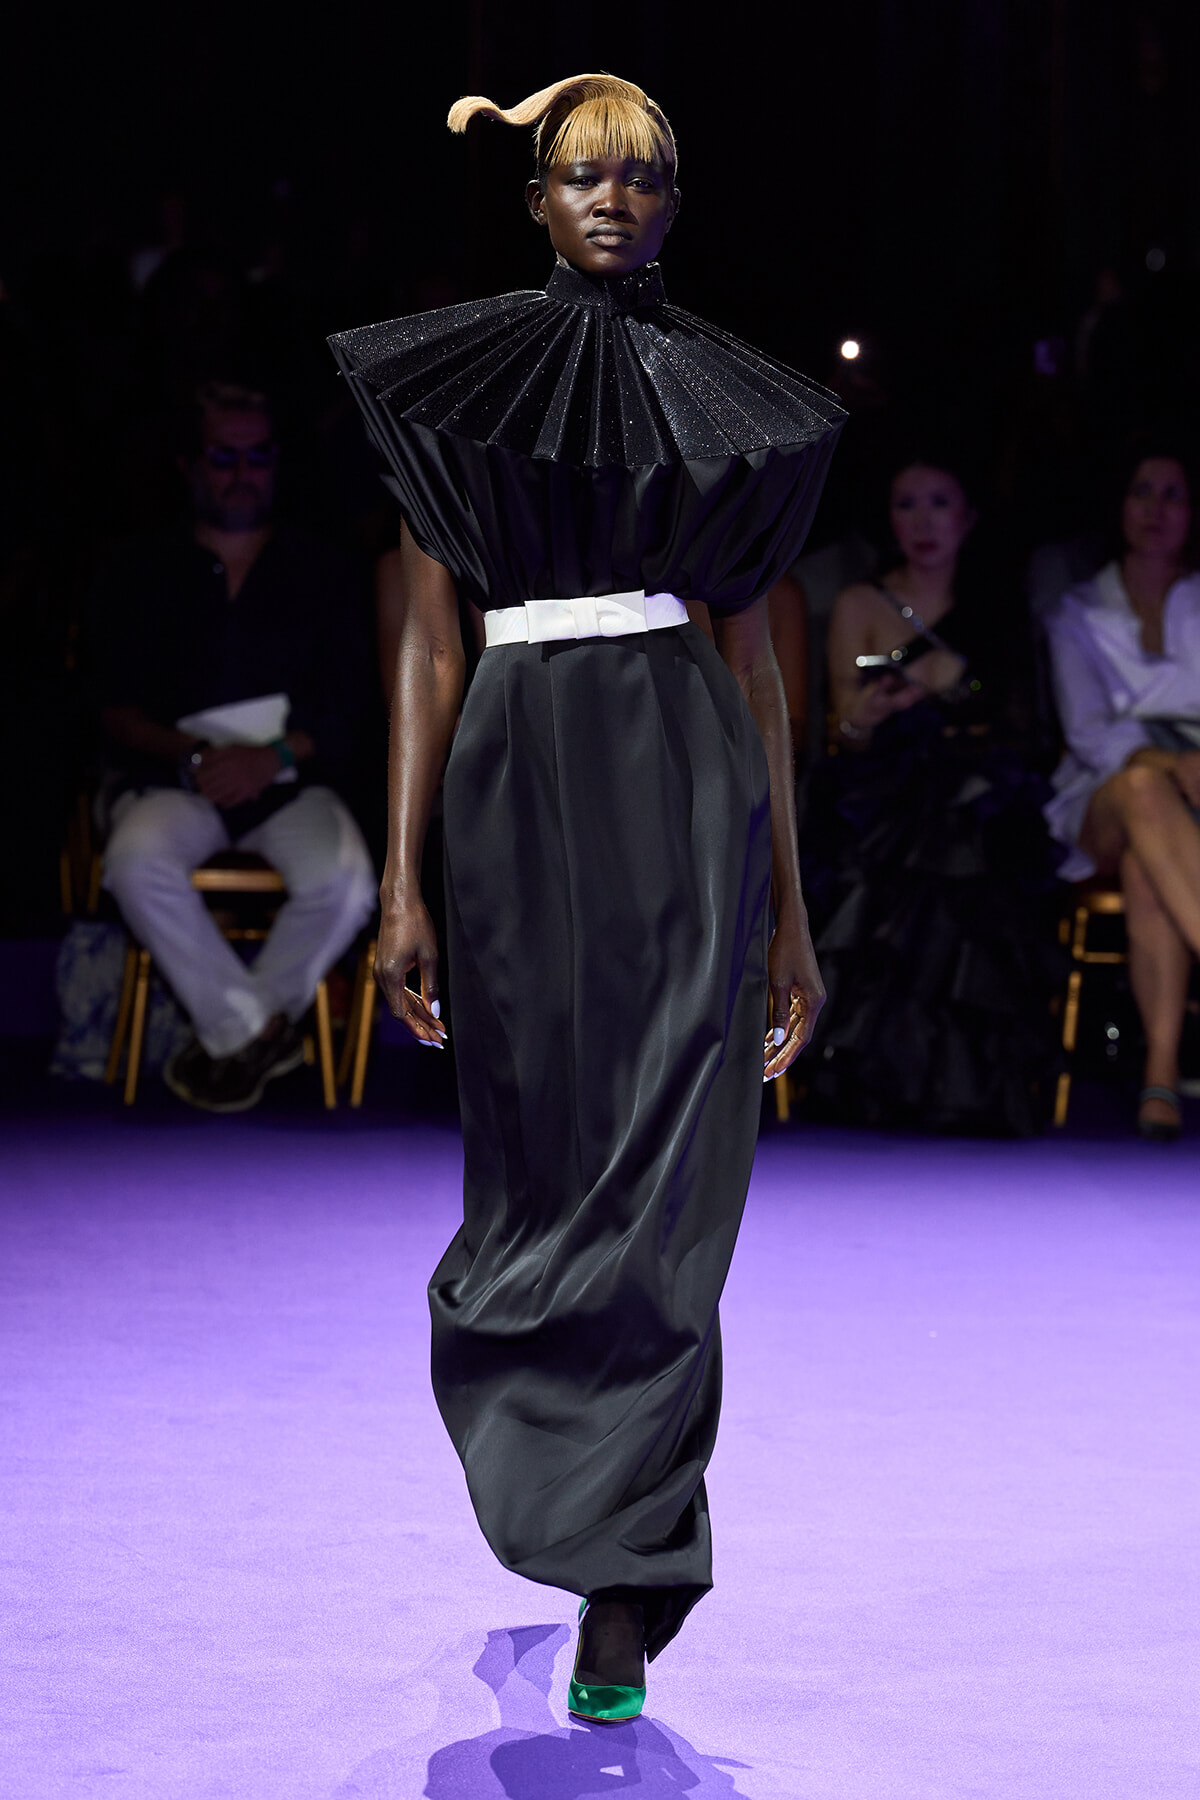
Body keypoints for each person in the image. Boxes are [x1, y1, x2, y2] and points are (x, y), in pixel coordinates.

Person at [330, 75, 844, 1721]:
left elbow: (756, 662)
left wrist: (790, 908)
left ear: (674, 201)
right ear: (534, 197)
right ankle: (560, 1482)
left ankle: (631, 1572)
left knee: (674, 1170)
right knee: (546, 1163)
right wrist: (400, 877)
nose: (615, 199)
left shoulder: (724, 397)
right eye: (582, 173)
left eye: (645, 176)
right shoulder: (457, 384)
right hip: (514, 777)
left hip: (680, 774)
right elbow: (420, 636)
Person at [91, 380, 376, 1111]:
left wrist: (272, 758)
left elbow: (349, 709)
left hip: (287, 779)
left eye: (258, 456)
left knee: (347, 881)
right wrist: (192, 757)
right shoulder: (136, 569)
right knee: (133, 859)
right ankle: (256, 1032)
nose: (243, 473)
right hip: (172, 778)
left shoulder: (324, 571)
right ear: (189, 465)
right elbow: (105, 706)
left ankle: (238, 1035)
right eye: (224, 456)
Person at [799, 454, 1059, 1135]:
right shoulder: (862, 601)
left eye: (938, 503)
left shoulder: (997, 607)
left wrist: (957, 685)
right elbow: (843, 733)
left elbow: (1022, 722)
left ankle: (971, 1083)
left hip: (976, 785)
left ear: (968, 517)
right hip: (883, 786)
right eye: (906, 504)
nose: (922, 521)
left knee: (973, 840)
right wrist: (878, 710)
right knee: (899, 845)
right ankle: (876, 1079)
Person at [1044, 446, 1200, 1140]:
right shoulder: (1077, 610)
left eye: (1173, 494)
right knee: (1140, 790)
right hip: (1104, 792)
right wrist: (1167, 764)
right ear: (1120, 504)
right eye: (1144, 491)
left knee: (1149, 868)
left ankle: (1159, 1077)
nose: (1156, 509)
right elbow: (1086, 732)